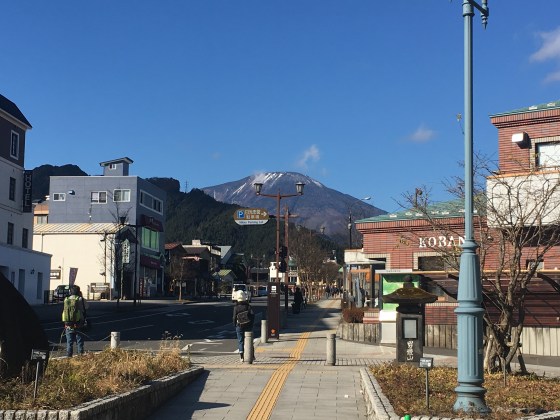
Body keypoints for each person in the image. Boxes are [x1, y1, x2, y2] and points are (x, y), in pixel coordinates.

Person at [62, 285, 87, 357]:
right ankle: (80, 355)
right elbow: (87, 307)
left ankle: (69, 355)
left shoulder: (66, 299)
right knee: (79, 340)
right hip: (79, 322)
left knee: (69, 341)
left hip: (68, 323)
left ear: (70, 292)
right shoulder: (80, 299)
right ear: (79, 292)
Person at [232, 290, 254, 362]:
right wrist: (251, 323)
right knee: (250, 340)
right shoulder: (248, 306)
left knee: (240, 341)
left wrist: (235, 324)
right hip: (248, 324)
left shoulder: (236, 307)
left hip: (239, 325)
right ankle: (252, 355)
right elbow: (252, 315)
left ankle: (241, 357)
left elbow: (234, 317)